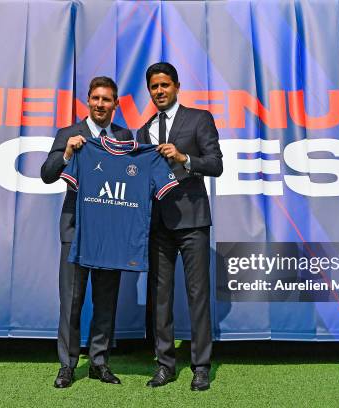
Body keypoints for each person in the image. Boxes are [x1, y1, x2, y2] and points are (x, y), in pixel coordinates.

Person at [41, 76, 133, 388]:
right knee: (71, 300)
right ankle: (67, 366)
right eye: (96, 98)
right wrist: (66, 153)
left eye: (107, 99)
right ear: (88, 101)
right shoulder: (69, 133)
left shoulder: (124, 136)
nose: (100, 104)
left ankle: (99, 362)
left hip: (110, 231)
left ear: (115, 104)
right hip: (75, 228)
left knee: (106, 300)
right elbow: (47, 174)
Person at [136, 62, 223, 391]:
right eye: (154, 87)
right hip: (158, 226)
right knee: (160, 298)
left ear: (176, 86)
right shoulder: (143, 131)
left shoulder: (199, 119)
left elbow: (216, 164)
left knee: (197, 295)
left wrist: (185, 157)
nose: (159, 91)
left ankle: (200, 366)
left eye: (164, 85)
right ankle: (165, 365)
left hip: (193, 223)